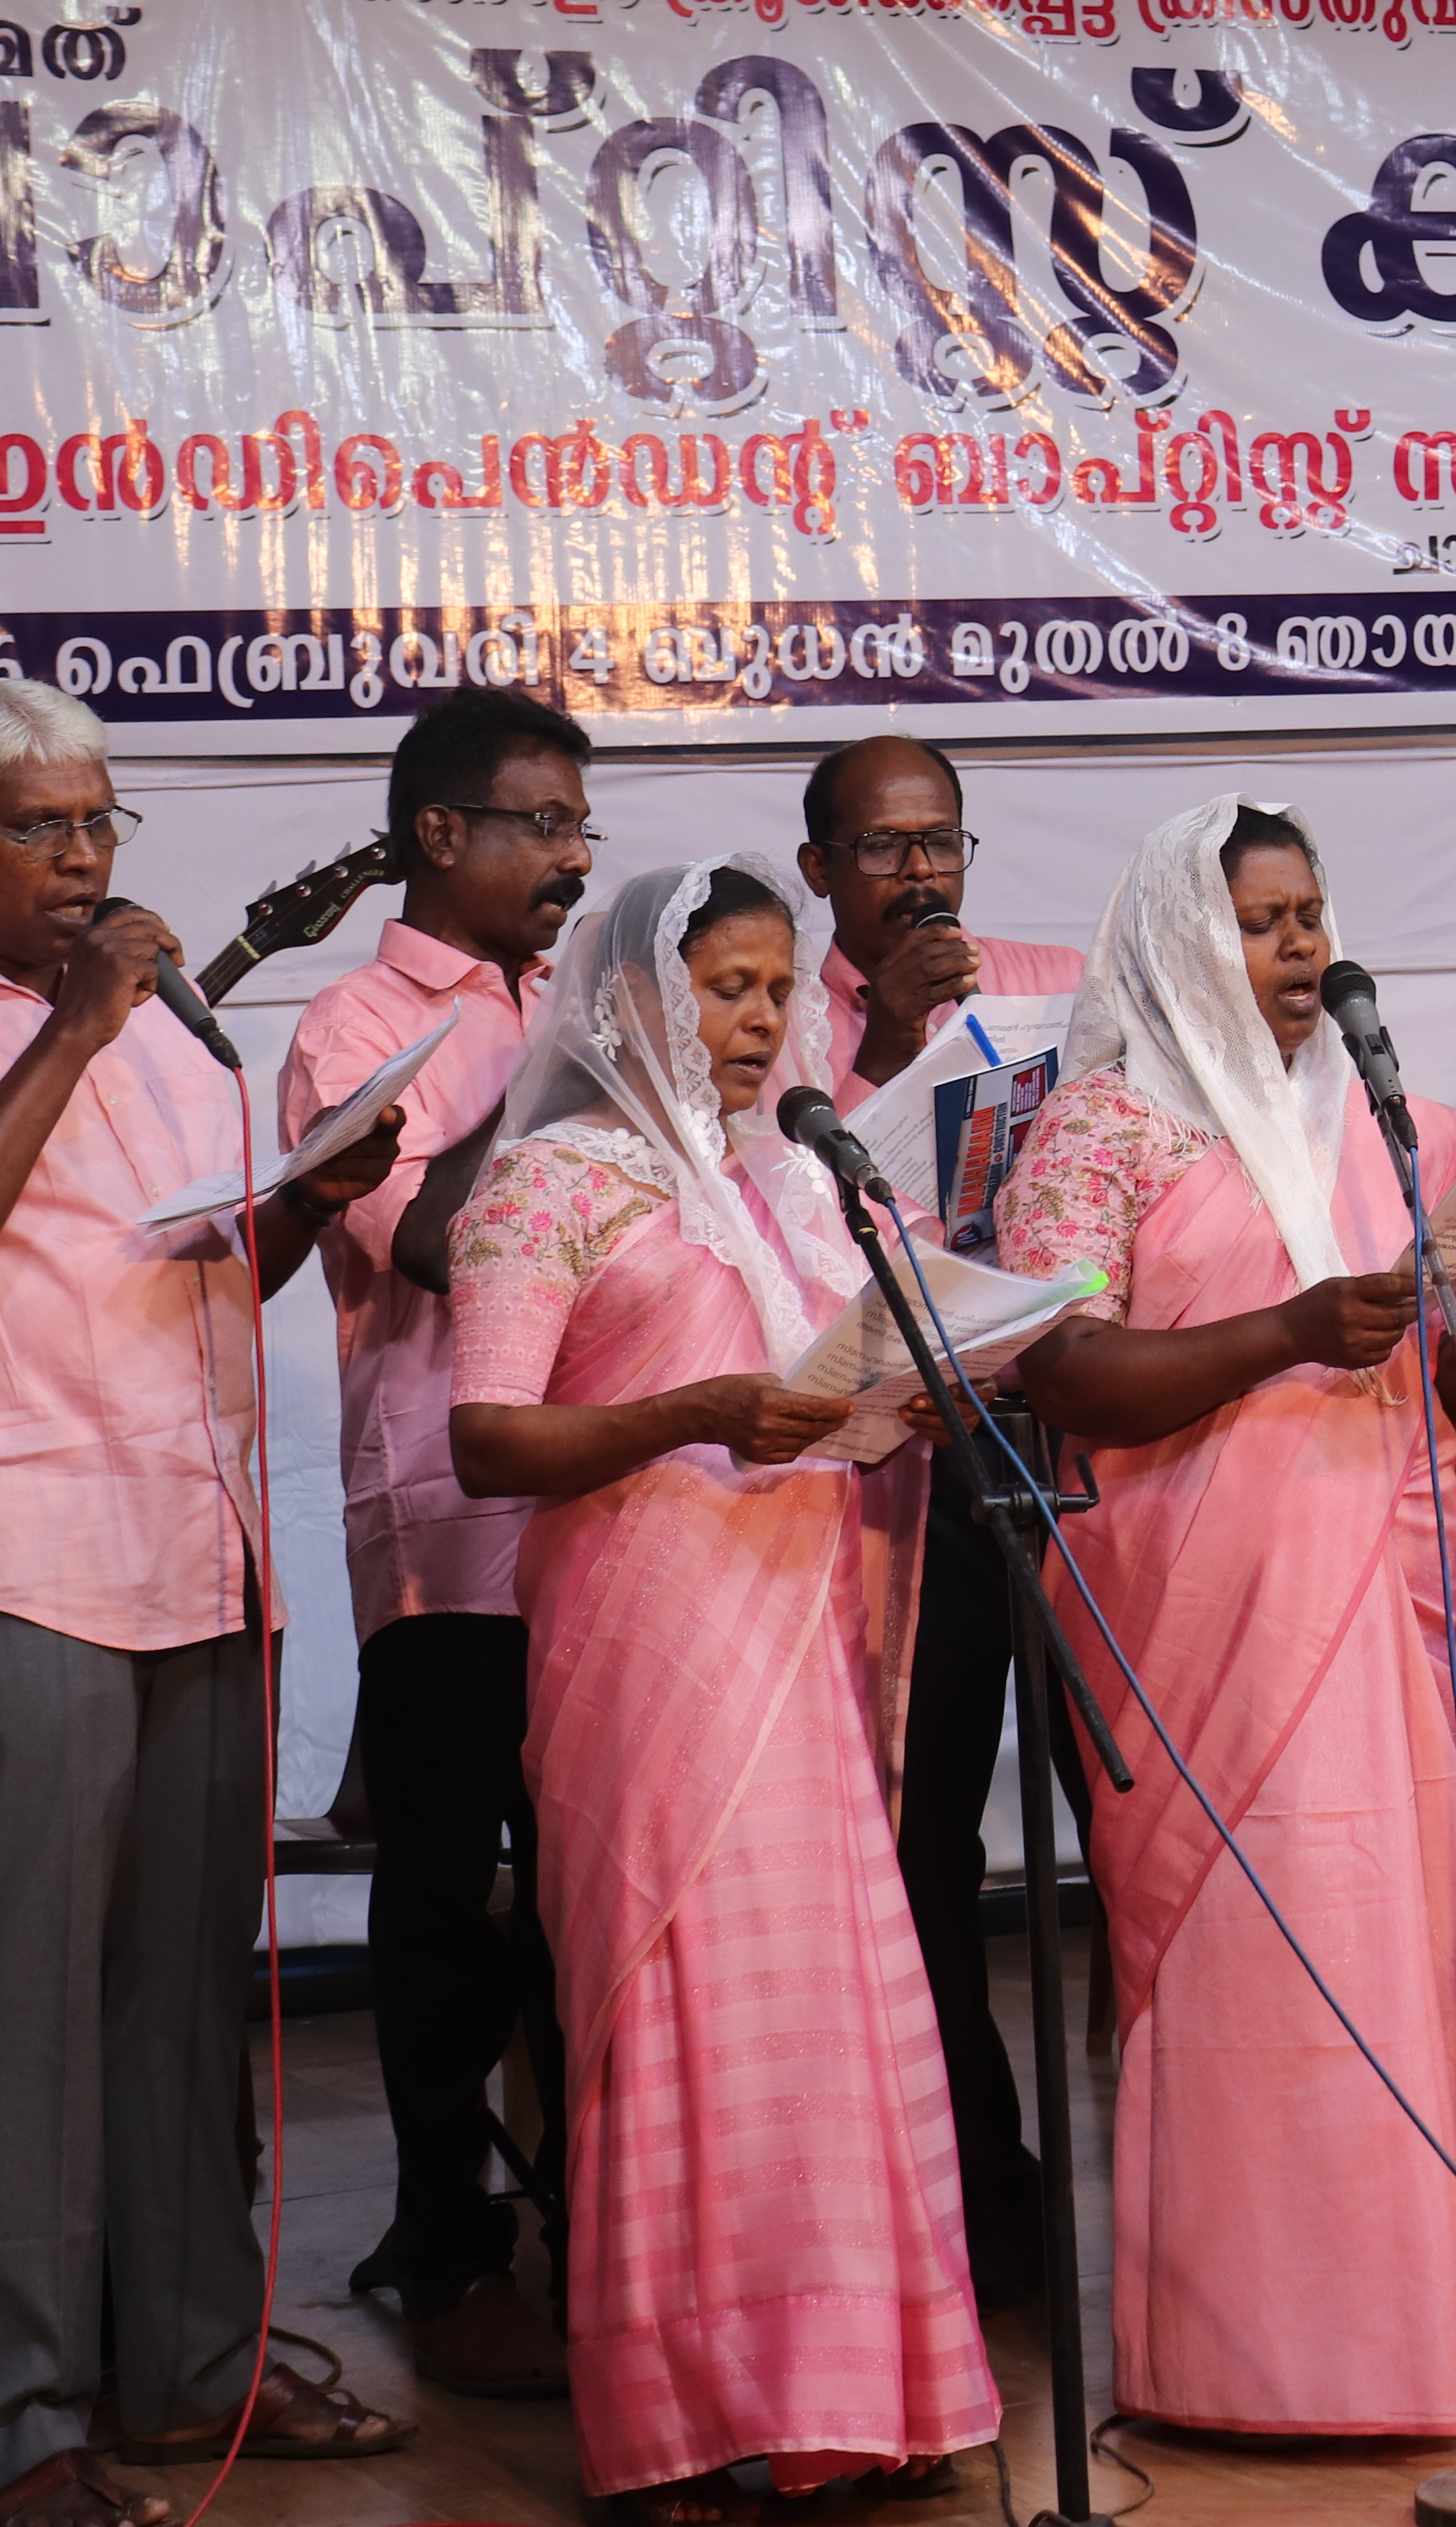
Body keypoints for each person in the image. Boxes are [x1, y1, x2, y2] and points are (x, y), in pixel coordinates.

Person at [0, 683, 414, 2515]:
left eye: (104, 824)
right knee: (25, 2015)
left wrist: (307, 1191)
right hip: (11, 1559)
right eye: (45, 831)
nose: (88, 861)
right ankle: (19, 2429)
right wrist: (74, 1029)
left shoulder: (155, 1030)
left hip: (191, 1558)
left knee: (186, 2004)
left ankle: (190, 2364)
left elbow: (197, 1268)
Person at [998, 797, 1456, 2435]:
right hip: (1209, 1607)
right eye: (1265, 920)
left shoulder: (1411, 1128)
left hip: (1402, 1589)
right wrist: (1289, 1328)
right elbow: (1062, 1368)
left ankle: (1414, 2334)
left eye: (1314, 911)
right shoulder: (1102, 1128)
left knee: (1408, 1944)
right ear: (1188, 942)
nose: (1306, 944)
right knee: (1280, 1942)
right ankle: (1255, 2358)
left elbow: (1454, 1380)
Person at [445, 853, 998, 2512]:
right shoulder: (547, 1180)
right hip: (649, 1643)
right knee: (685, 1996)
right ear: (634, 993)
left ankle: (853, 2399)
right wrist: (684, 1413)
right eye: (728, 986)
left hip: (801, 1629)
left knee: (826, 2001)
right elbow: (487, 1435)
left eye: (776, 989)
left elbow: (851, 1370)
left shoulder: (798, 1181)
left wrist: (926, 1384)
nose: (762, 1021)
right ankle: (699, 2406)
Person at [286, 686, 593, 2401]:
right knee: (443, 1897)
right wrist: (552, 1070)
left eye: (579, 826)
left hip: (605, 1511)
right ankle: (440, 2223)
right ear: (439, 834)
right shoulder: (354, 1027)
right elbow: (431, 1250)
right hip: (449, 1526)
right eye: (540, 822)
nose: (570, 854)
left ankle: (599, 2221)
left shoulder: (587, 1000)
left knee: (582, 1891)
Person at [793, 730, 1086, 2307]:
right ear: (820, 866)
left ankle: (1199, 2165)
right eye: (885, 846)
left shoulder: (1048, 980)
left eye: (942, 842)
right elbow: (785, 1217)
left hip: (1072, 1450)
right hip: (902, 1491)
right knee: (926, 1853)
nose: (919, 874)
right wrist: (893, 1050)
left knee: (1131, 1817)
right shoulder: (776, 1018)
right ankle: (981, 2185)